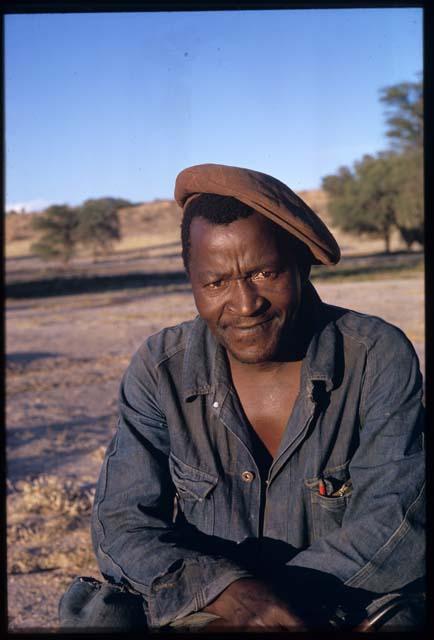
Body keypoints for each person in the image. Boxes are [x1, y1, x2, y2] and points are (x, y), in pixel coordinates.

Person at [59, 163, 425, 632]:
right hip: (210, 610)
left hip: (342, 603)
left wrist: (272, 608)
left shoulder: (375, 356)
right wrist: (227, 597)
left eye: (265, 272)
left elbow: (398, 523)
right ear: (190, 279)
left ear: (301, 264)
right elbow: (122, 525)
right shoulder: (160, 369)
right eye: (216, 283)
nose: (246, 303)